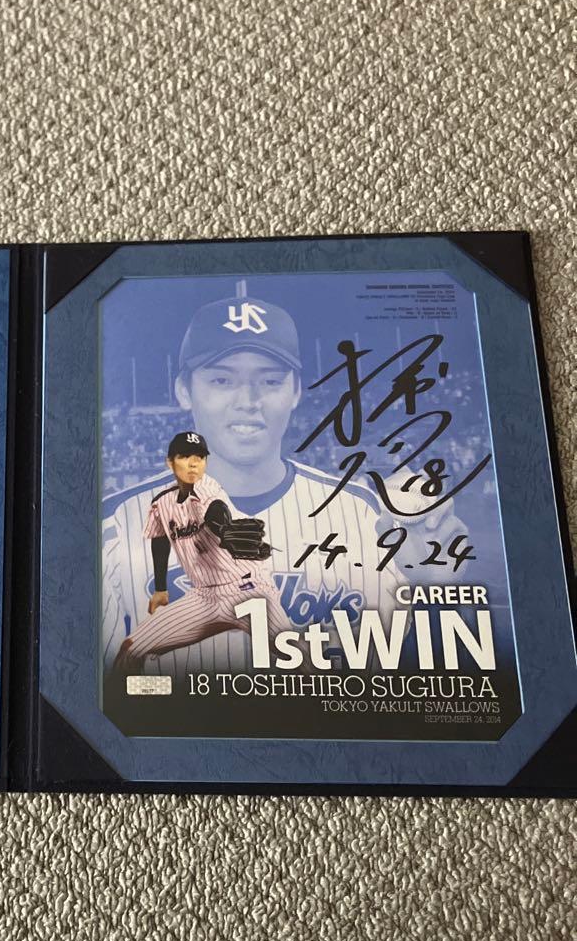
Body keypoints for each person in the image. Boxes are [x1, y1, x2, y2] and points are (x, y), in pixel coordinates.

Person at [102, 281, 463, 675]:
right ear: (184, 391)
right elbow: (100, 686)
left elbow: (384, 677)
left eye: (271, 381)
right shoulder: (119, 521)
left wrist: (431, 590)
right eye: (222, 380)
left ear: (295, 392)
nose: (248, 401)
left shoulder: (362, 513)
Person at [112, 431, 294, 675]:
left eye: (199, 457)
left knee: (297, 655)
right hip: (203, 598)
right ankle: (140, 698)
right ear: (170, 462)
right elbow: (160, 539)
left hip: (248, 591)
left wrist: (223, 527)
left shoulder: (208, 487)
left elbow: (215, 509)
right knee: (131, 649)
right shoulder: (162, 503)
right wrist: (161, 589)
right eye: (185, 456)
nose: (193, 463)